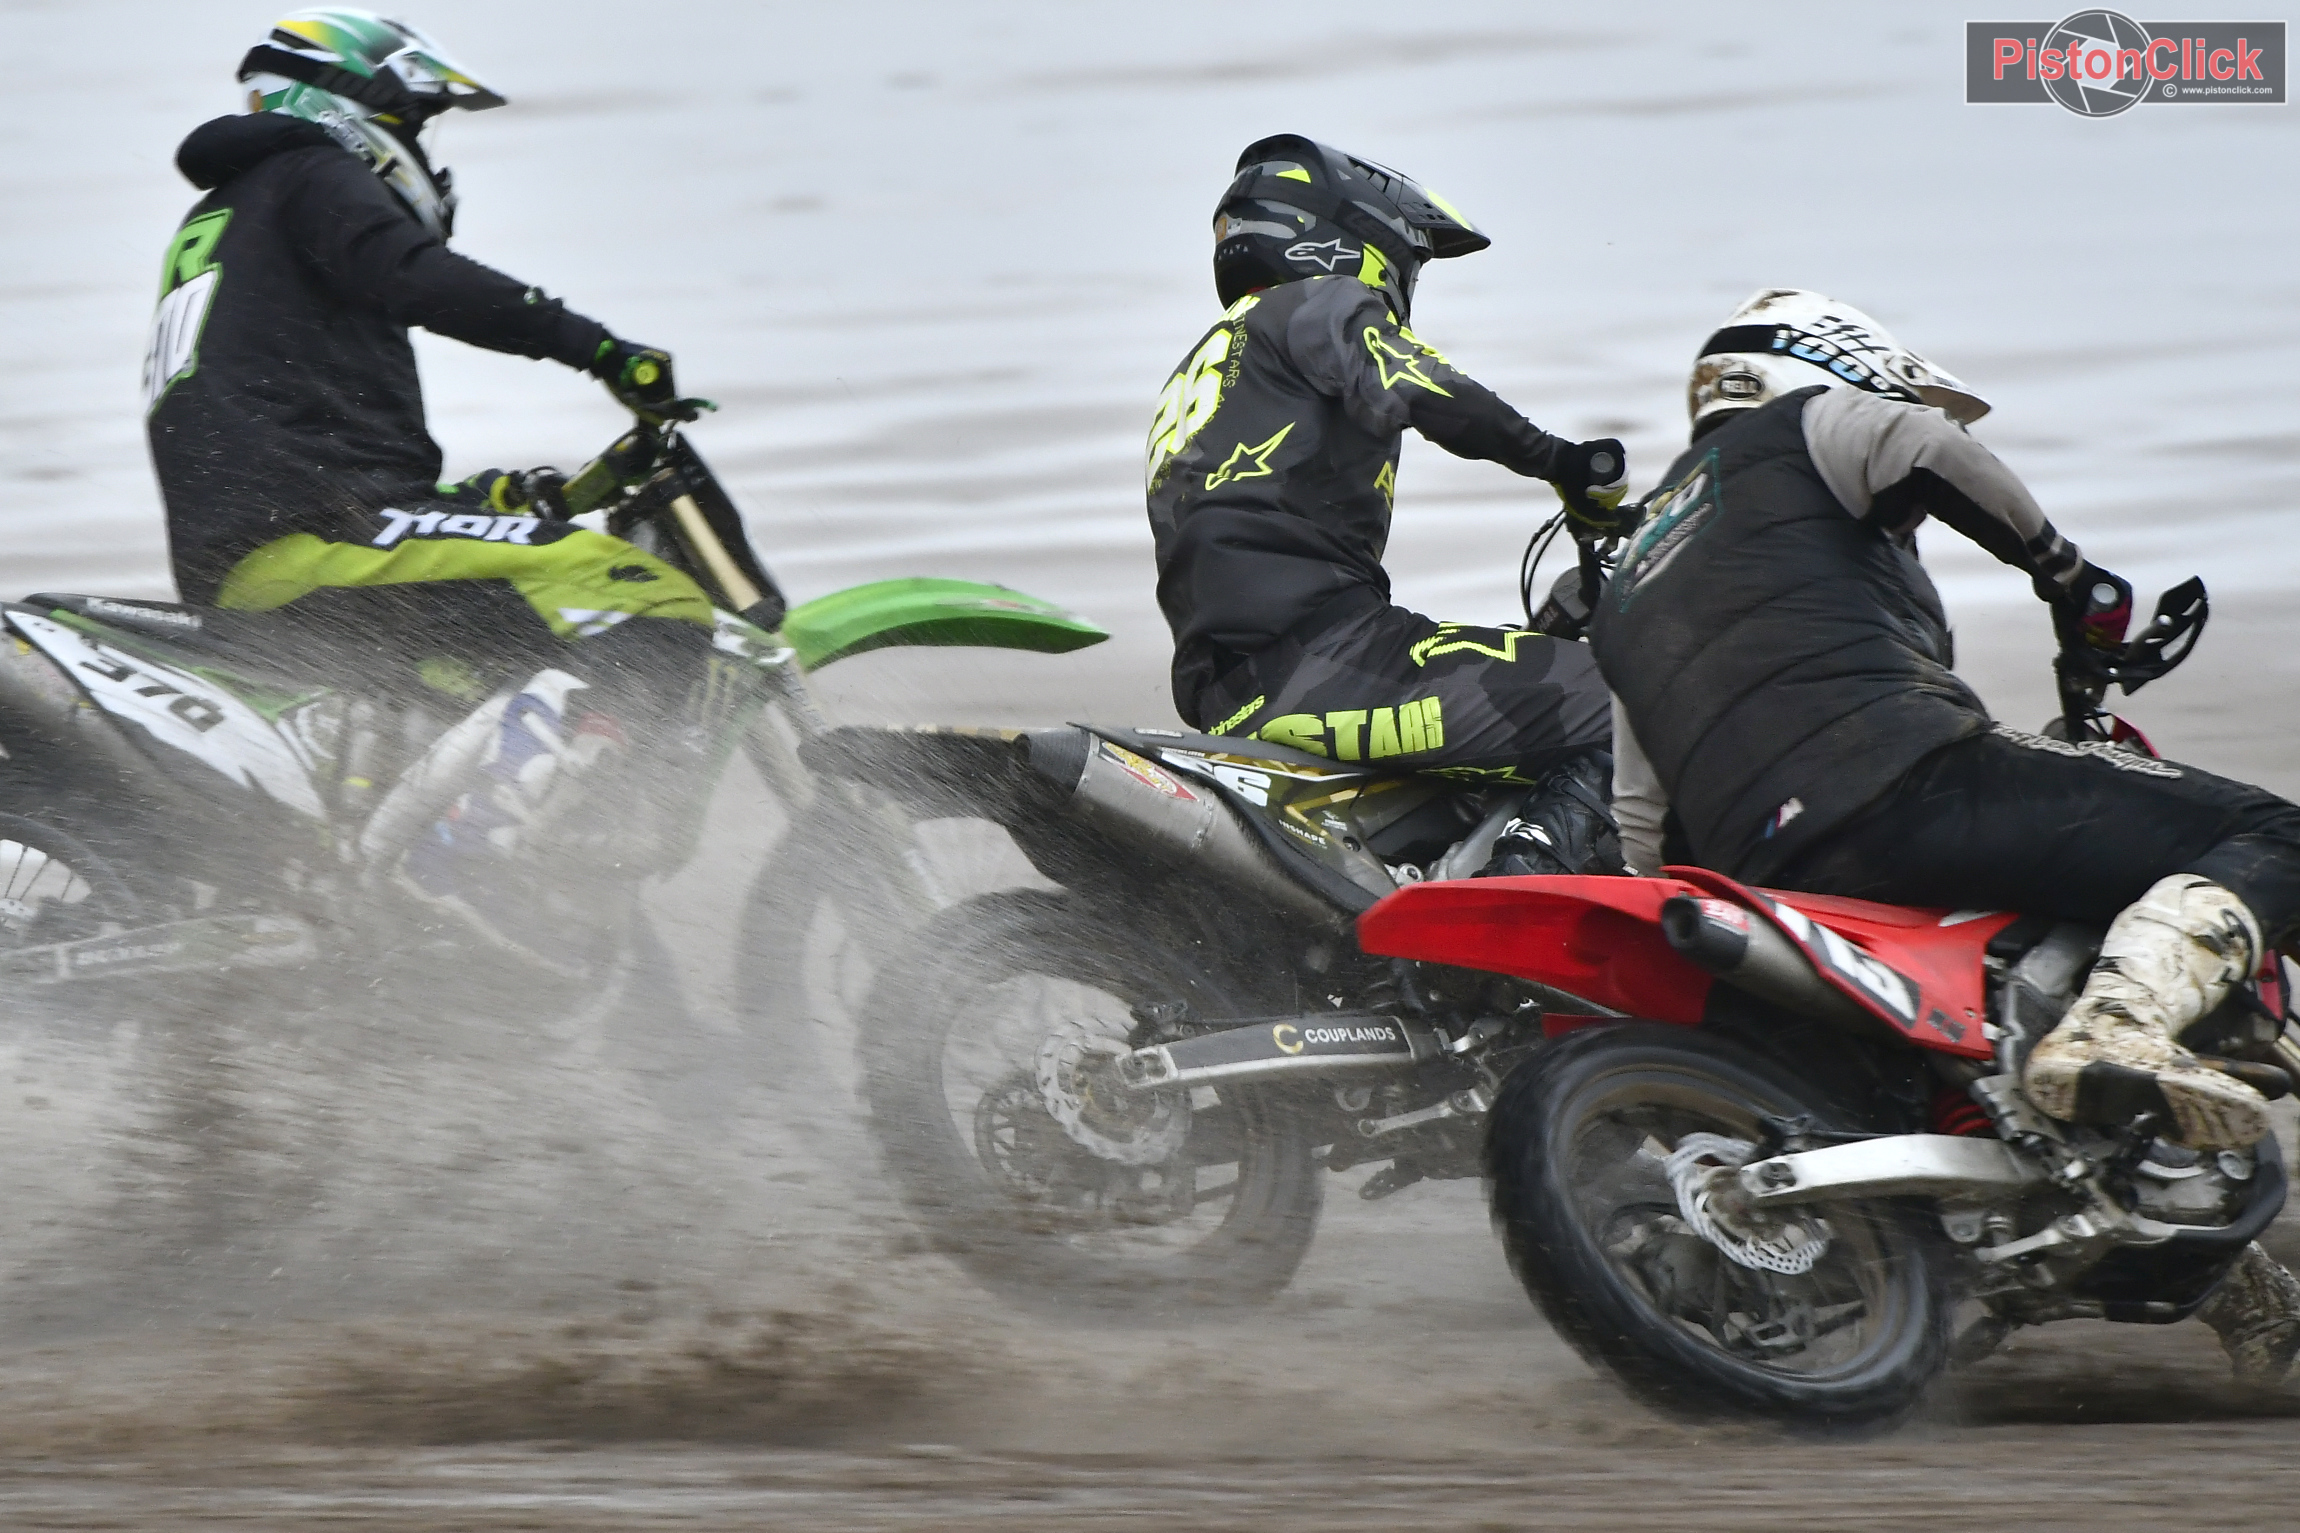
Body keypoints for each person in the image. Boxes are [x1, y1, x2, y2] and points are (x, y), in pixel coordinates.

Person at [1590, 288, 2300, 1380]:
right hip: (1901, 779)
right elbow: (1916, 440)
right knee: (2273, 833)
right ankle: (2115, 1022)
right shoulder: (1801, 427)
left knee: (1990, 1051)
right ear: (1822, 366)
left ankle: (2231, 1286)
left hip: (1769, 872)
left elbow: (1639, 820)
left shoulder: (1628, 576)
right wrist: (2062, 572)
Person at [143, 7, 719, 962]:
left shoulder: (235, 212)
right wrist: (598, 349)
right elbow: (419, 276)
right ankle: (461, 860)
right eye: (419, 121)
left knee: (529, 602)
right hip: (307, 539)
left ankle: (453, 885)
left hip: (284, 537)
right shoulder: (307, 173)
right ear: (359, 106)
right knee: (636, 591)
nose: (426, 152)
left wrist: (522, 501)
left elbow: (312, 437)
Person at [1144, 134, 1636, 877]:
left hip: (1230, 689)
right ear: (1352, 242)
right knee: (1627, 705)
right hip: (1326, 658)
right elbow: (1420, 383)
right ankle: (1518, 901)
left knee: (1507, 668)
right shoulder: (1315, 303)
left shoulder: (1207, 370)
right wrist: (1560, 462)